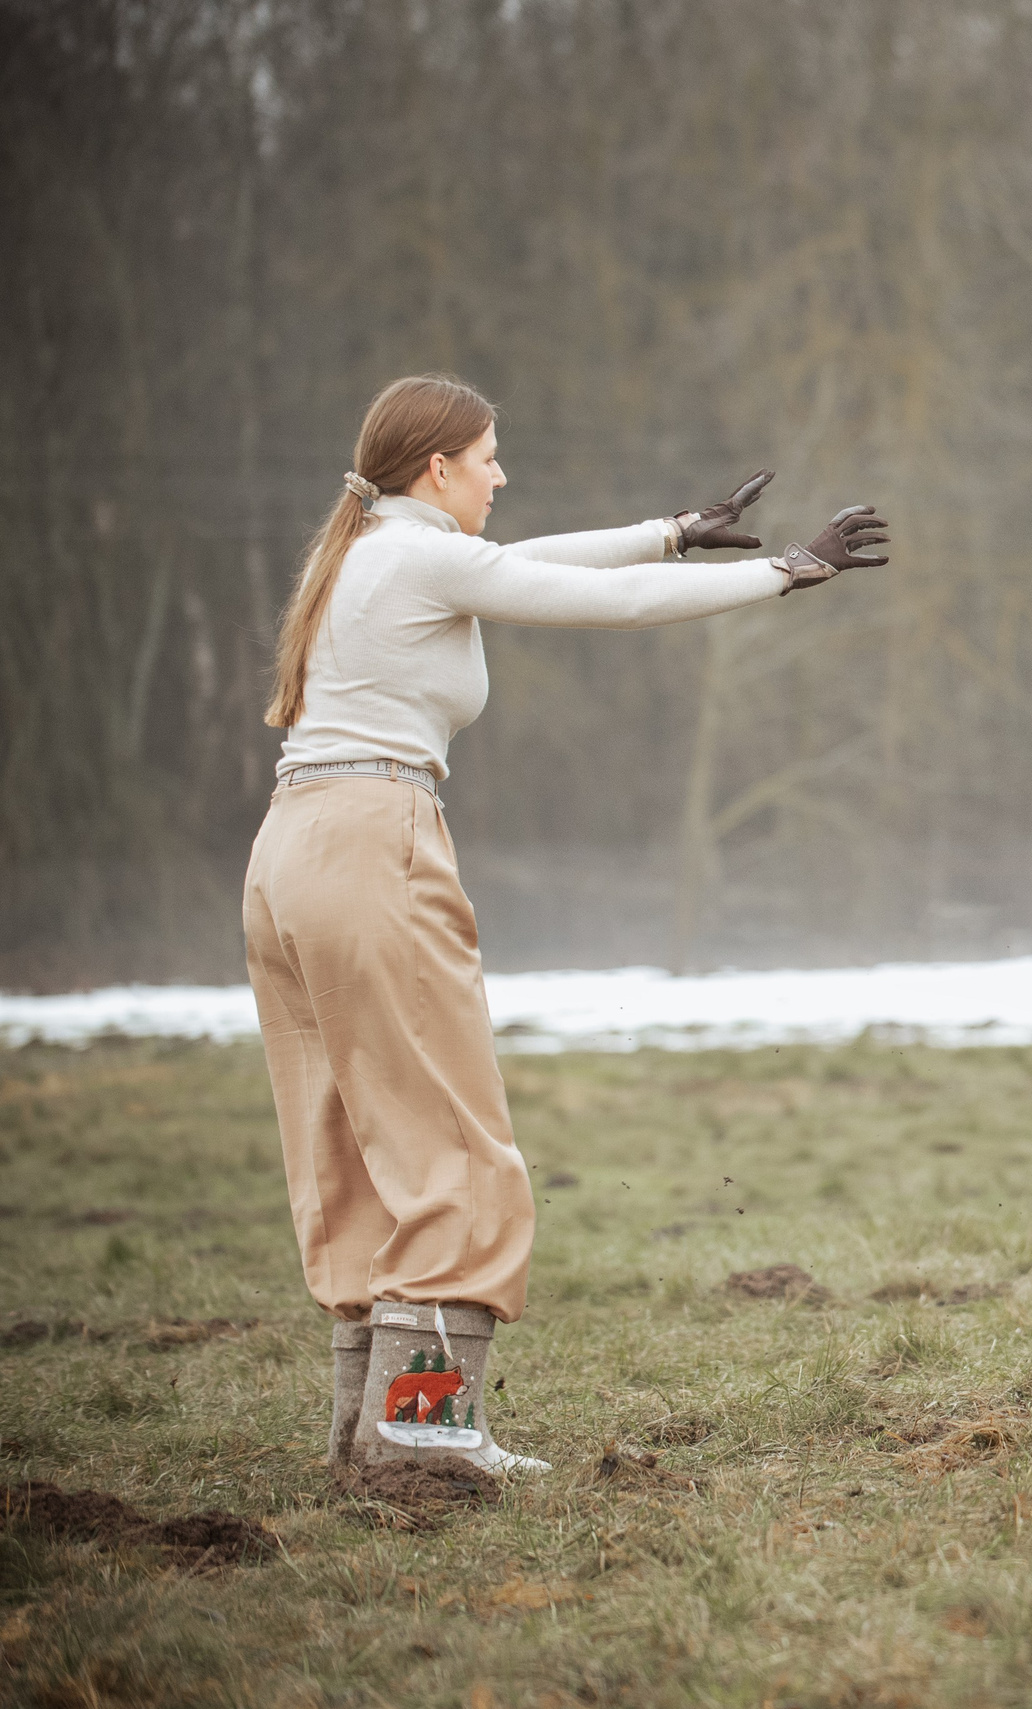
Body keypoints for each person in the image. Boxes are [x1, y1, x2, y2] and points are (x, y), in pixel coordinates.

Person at [244, 374, 887, 1478]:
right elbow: (594, 601)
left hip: (286, 855)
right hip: (373, 844)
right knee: (452, 1142)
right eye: (487, 457)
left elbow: (525, 561)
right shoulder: (418, 554)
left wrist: (672, 533)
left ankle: (367, 1433)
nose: (500, 475)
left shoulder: (361, 551)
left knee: (350, 1146)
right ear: (434, 468)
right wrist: (791, 568)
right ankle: (424, 1432)